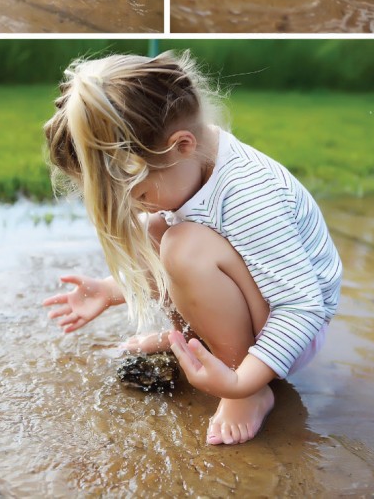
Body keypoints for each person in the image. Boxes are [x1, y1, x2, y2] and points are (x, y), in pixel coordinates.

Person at [42, 51, 342, 447]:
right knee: (157, 228)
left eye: (140, 193)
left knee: (183, 246)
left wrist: (241, 381)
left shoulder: (248, 194)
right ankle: (192, 342)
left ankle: (248, 389)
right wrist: (111, 289)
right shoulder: (191, 166)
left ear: (181, 145)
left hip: (295, 326)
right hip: (264, 305)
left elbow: (302, 307)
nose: (136, 205)